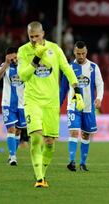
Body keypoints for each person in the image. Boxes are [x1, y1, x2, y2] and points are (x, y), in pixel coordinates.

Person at [17, 21, 83, 188]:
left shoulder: (55, 49)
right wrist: (36, 58)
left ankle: (41, 172)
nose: (33, 40)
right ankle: (39, 179)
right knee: (36, 137)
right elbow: (23, 76)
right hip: (33, 100)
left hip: (52, 103)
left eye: (36, 36)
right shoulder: (23, 51)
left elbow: (67, 69)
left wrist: (77, 91)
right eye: (31, 37)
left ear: (43, 34)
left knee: (50, 143)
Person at [60, 41, 104, 172]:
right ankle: (72, 161)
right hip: (73, 106)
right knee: (74, 132)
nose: (80, 56)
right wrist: (58, 105)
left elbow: (100, 84)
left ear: (86, 52)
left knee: (86, 135)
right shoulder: (68, 67)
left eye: (83, 53)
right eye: (78, 53)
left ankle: (83, 163)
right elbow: (63, 89)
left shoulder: (93, 67)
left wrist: (99, 98)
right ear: (74, 52)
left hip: (89, 107)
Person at [0, 47, 26, 166]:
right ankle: (13, 157)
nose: (13, 60)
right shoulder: (4, 65)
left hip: (22, 104)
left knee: (18, 131)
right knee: (11, 129)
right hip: (8, 104)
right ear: (7, 57)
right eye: (11, 58)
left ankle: (12, 154)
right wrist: (6, 64)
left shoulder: (24, 66)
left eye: (14, 57)